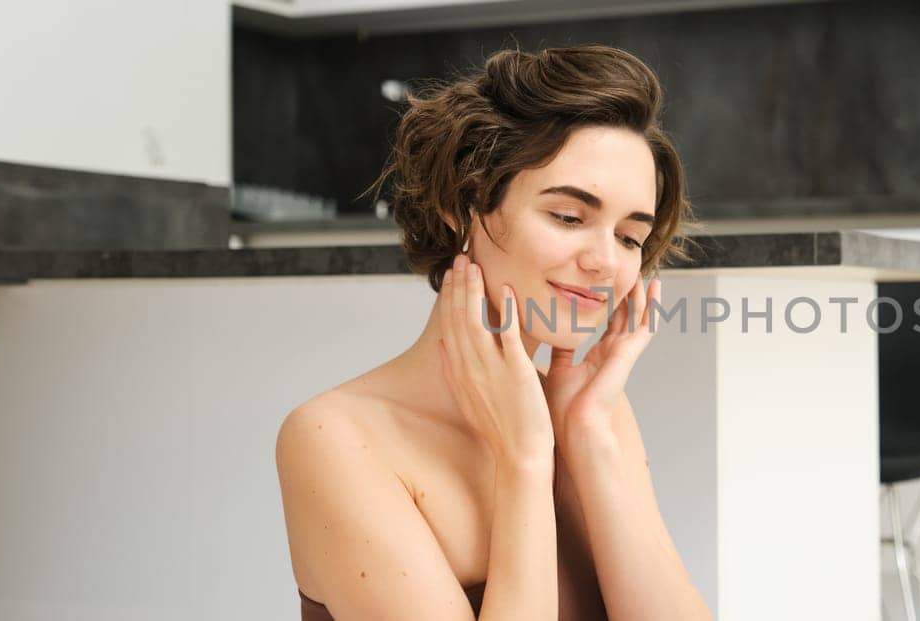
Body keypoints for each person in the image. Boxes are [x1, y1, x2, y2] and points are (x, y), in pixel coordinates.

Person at [275, 44, 710, 620]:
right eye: (569, 217)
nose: (606, 262)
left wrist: (589, 436)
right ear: (466, 203)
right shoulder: (337, 438)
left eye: (630, 237)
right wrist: (525, 460)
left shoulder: (593, 415)